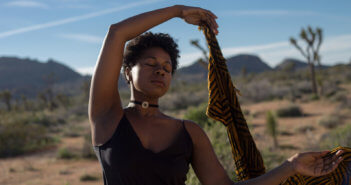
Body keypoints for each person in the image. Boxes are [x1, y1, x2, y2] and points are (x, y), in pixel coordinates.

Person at [88, 5, 344, 185]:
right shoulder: (107, 117)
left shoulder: (189, 132)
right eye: (150, 63)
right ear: (127, 73)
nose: (160, 71)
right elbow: (116, 33)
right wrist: (178, 11)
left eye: (167, 67)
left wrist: (290, 166)